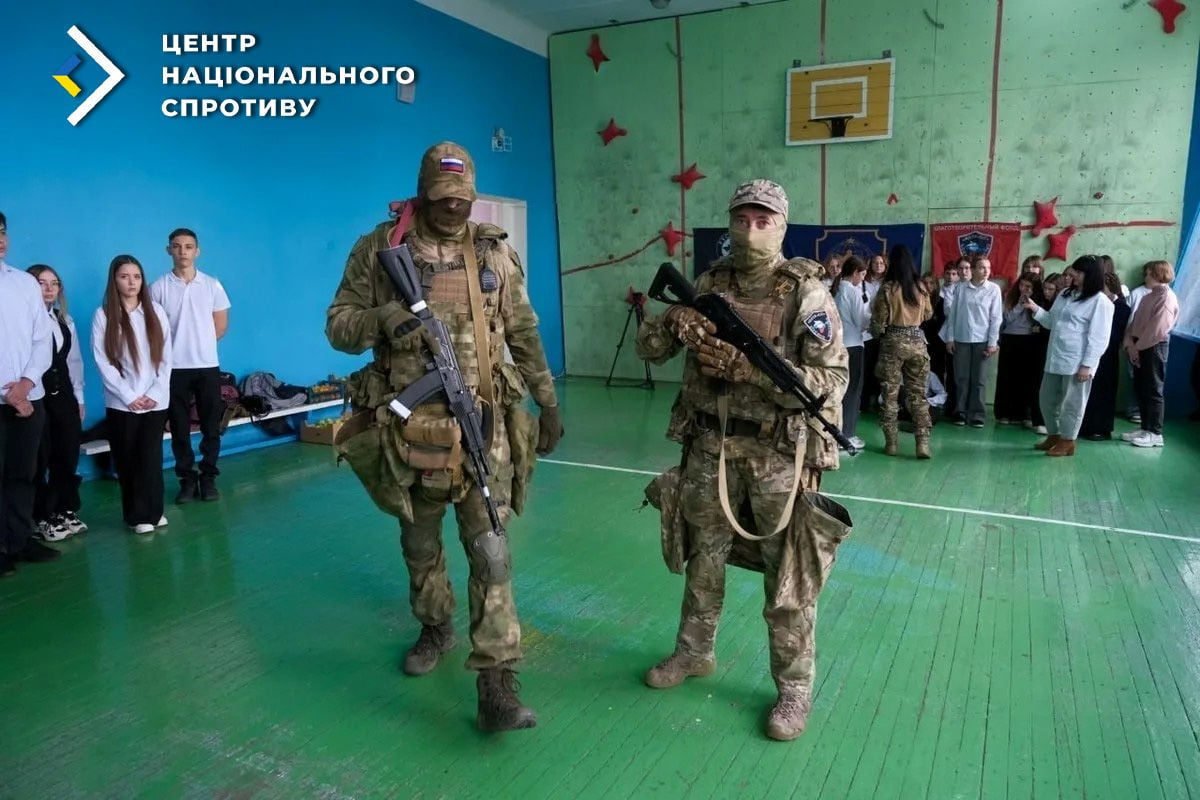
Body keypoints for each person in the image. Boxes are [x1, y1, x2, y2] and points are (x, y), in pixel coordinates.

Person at [325, 142, 563, 733]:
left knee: (492, 550)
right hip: (409, 429)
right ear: (422, 193)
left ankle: (497, 683)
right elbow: (339, 326)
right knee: (420, 543)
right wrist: (381, 320)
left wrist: (548, 400)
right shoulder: (381, 248)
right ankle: (435, 626)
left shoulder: (493, 251)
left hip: (484, 424)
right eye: (441, 198)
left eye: (463, 198)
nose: (453, 208)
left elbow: (523, 329)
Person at [636, 179, 851, 742]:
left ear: (782, 227)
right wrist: (674, 322)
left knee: (788, 577)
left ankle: (794, 687)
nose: (751, 231)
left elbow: (832, 382)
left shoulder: (806, 294)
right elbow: (649, 350)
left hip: (777, 453)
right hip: (710, 446)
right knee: (703, 558)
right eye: (742, 220)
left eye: (764, 221)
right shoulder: (709, 283)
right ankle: (693, 651)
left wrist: (752, 370)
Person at [92, 255, 173, 534]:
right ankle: (137, 516)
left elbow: (166, 358)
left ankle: (155, 511)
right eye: (124, 277)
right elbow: (103, 362)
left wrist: (155, 392)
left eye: (136, 277)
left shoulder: (156, 312)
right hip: (122, 404)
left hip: (155, 401)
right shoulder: (104, 315)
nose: (131, 282)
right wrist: (129, 396)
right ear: (114, 280)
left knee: (151, 458)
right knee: (128, 459)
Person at [151, 228, 231, 503]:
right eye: (177, 246)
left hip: (207, 366)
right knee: (179, 427)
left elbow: (220, 326)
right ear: (168, 250)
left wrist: (199, 344)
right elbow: (153, 330)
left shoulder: (212, 285)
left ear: (197, 251)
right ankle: (187, 479)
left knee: (211, 425)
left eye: (188, 246)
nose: (182, 251)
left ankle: (208, 478)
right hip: (173, 369)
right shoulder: (158, 287)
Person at [0, 212, 58, 575]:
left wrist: (25, 385)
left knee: (24, 473)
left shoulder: (23, 283)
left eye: (2, 232)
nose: (0, 240)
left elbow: (41, 340)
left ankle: (19, 539)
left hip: (27, 399)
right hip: (8, 400)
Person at [1023, 255, 1114, 457]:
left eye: (1079, 272)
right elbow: (1051, 321)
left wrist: (1087, 365)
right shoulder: (1065, 294)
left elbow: (1100, 338)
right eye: (1075, 271)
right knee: (1046, 399)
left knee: (1072, 404)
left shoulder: (1100, 302)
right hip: (1055, 357)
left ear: (1091, 275)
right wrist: (1035, 309)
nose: (1073, 275)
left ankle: (1068, 440)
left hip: (1077, 362)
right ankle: (1054, 435)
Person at [27, 265, 87, 541]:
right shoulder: (22, 320)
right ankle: (41, 516)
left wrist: (79, 398)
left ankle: (65, 508)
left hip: (63, 395)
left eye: (54, 283)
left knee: (67, 452)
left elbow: (74, 362)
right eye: (42, 282)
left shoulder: (65, 320)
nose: (49, 288)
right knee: (39, 458)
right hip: (36, 396)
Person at [870, 244, 933, 457]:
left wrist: (878, 331)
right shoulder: (921, 287)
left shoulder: (888, 288)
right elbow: (928, 314)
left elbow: (879, 322)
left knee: (890, 395)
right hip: (918, 344)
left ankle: (892, 444)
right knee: (918, 395)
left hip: (893, 345)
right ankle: (922, 444)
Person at [1122, 260, 1179, 447]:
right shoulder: (1148, 296)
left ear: (1157, 274)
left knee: (1154, 389)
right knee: (1141, 387)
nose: (1145, 276)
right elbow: (1134, 323)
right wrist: (1130, 345)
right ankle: (1145, 428)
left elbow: (1158, 329)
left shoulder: (1167, 298)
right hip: (1140, 346)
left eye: (1148, 273)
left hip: (1154, 347)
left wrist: (1138, 347)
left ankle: (1155, 433)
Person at [944, 256, 1002, 427]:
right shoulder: (960, 288)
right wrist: (950, 338)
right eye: (982, 267)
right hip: (961, 339)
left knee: (979, 379)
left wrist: (992, 342)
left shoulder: (994, 289)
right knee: (961, 378)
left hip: (982, 340)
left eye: (988, 268)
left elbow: (996, 318)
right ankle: (960, 412)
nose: (986, 271)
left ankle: (977, 414)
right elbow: (953, 315)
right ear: (974, 269)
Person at [1078, 273, 1130, 440]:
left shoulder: (1121, 307)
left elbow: (1114, 335)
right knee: (1090, 392)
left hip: (1108, 356)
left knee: (1104, 392)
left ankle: (1101, 428)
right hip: (1093, 353)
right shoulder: (1096, 304)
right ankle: (1086, 425)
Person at [993, 272, 1047, 429]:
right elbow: (1007, 318)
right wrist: (1019, 304)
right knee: (1007, 377)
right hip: (1010, 339)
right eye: (1022, 285)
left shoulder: (1038, 301)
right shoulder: (1011, 297)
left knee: (1025, 379)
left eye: (1028, 287)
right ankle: (1005, 413)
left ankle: (1023, 413)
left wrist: (1031, 305)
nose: (1024, 289)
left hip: (1028, 341)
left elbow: (1040, 320)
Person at [830, 256, 868, 450]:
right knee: (852, 390)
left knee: (839, 390)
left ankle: (836, 433)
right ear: (855, 273)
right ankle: (847, 435)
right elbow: (861, 322)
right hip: (853, 345)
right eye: (862, 274)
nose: (862, 279)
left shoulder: (835, 289)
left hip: (837, 345)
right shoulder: (852, 291)